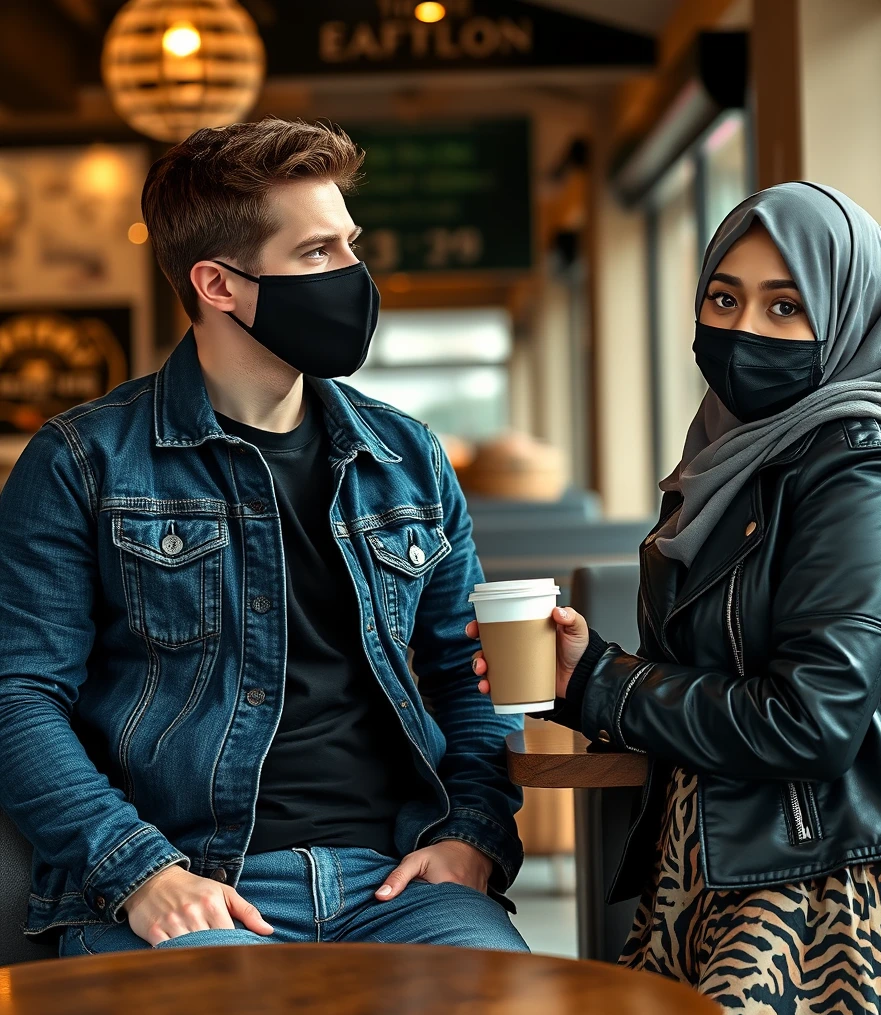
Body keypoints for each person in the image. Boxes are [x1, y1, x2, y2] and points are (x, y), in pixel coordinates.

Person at [0, 118, 528, 956]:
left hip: (398, 884)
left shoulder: (408, 458)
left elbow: (470, 680)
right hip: (194, 884)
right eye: (318, 254)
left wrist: (471, 834)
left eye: (350, 246)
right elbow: (18, 697)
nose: (354, 276)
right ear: (218, 284)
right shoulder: (80, 462)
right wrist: (138, 872)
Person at [472, 183, 881, 1015]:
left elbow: (809, 723)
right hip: (704, 870)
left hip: (827, 903)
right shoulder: (727, 462)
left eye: (786, 307)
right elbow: (716, 673)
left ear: (849, 321)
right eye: (724, 297)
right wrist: (579, 681)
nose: (744, 330)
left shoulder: (861, 467)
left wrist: (606, 681)